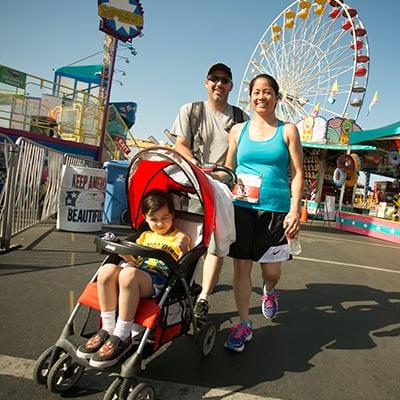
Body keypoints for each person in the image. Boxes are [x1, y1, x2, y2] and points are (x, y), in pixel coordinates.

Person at [224, 73, 304, 352]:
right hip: (241, 208)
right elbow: (228, 171)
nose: (262, 96)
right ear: (250, 96)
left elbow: (297, 172)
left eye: (268, 92)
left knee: (271, 271)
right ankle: (244, 324)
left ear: (277, 97)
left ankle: (269, 291)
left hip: (275, 209)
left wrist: (295, 209)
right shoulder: (237, 130)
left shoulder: (288, 130)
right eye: (256, 91)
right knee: (241, 266)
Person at [76, 189, 191, 368]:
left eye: (165, 218)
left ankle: (122, 335)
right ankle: (108, 328)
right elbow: (135, 259)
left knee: (128, 274)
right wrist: (127, 257)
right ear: (145, 218)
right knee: (106, 270)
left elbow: (184, 264)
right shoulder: (144, 236)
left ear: (172, 215)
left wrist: (184, 249)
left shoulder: (179, 237)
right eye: (154, 219)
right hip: (136, 272)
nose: (160, 223)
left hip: (157, 280)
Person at [171, 62, 248, 321]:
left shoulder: (240, 118)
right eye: (214, 79)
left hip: (222, 191)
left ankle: (203, 297)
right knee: (189, 242)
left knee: (215, 244)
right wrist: (196, 166)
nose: (219, 84)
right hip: (193, 185)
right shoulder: (190, 111)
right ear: (206, 82)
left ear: (231, 86)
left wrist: (225, 175)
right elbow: (180, 144)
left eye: (225, 80)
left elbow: (242, 154)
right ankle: (181, 289)